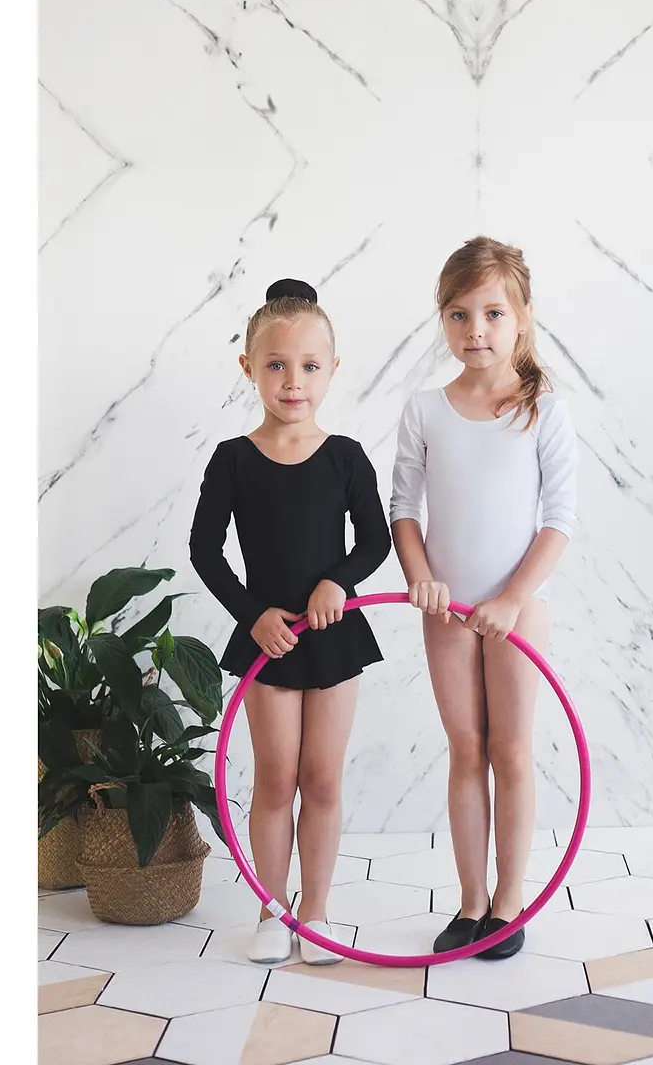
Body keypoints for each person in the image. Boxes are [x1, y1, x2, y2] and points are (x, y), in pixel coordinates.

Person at [190, 279, 391, 965]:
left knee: (323, 780)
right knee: (276, 780)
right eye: (276, 364)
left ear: (332, 369)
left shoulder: (346, 456)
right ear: (248, 367)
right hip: (270, 642)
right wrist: (253, 616)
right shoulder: (233, 459)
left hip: (334, 636)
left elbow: (375, 540)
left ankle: (317, 913)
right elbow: (204, 550)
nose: (293, 381)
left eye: (309, 366)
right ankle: (272, 911)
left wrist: (338, 581)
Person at [390, 236, 578, 960]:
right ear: (443, 320)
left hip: (517, 610)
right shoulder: (426, 410)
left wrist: (512, 598)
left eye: (493, 313)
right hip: (446, 610)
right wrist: (420, 576)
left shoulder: (543, 411)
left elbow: (559, 520)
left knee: (512, 750)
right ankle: (471, 903)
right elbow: (403, 508)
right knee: (466, 749)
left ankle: (509, 901)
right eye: (460, 315)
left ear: (521, 316)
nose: (477, 330)